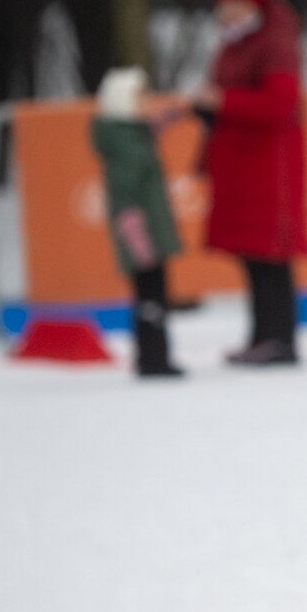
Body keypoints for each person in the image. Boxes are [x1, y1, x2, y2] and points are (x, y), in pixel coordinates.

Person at [191, 0, 307, 367]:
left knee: (271, 255)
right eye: (224, 2)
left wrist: (223, 101)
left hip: (269, 168)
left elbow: (282, 101)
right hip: (243, 166)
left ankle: (280, 339)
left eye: (236, 2)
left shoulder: (275, 41)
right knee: (253, 256)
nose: (227, 11)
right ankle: (263, 335)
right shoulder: (234, 43)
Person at [90, 67, 184, 379]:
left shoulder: (133, 136)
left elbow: (149, 131)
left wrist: (169, 115)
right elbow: (124, 197)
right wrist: (138, 240)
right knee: (150, 297)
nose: (150, 102)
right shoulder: (126, 145)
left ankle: (155, 356)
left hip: (148, 233)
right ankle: (153, 358)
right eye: (142, 97)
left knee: (154, 295)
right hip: (143, 237)